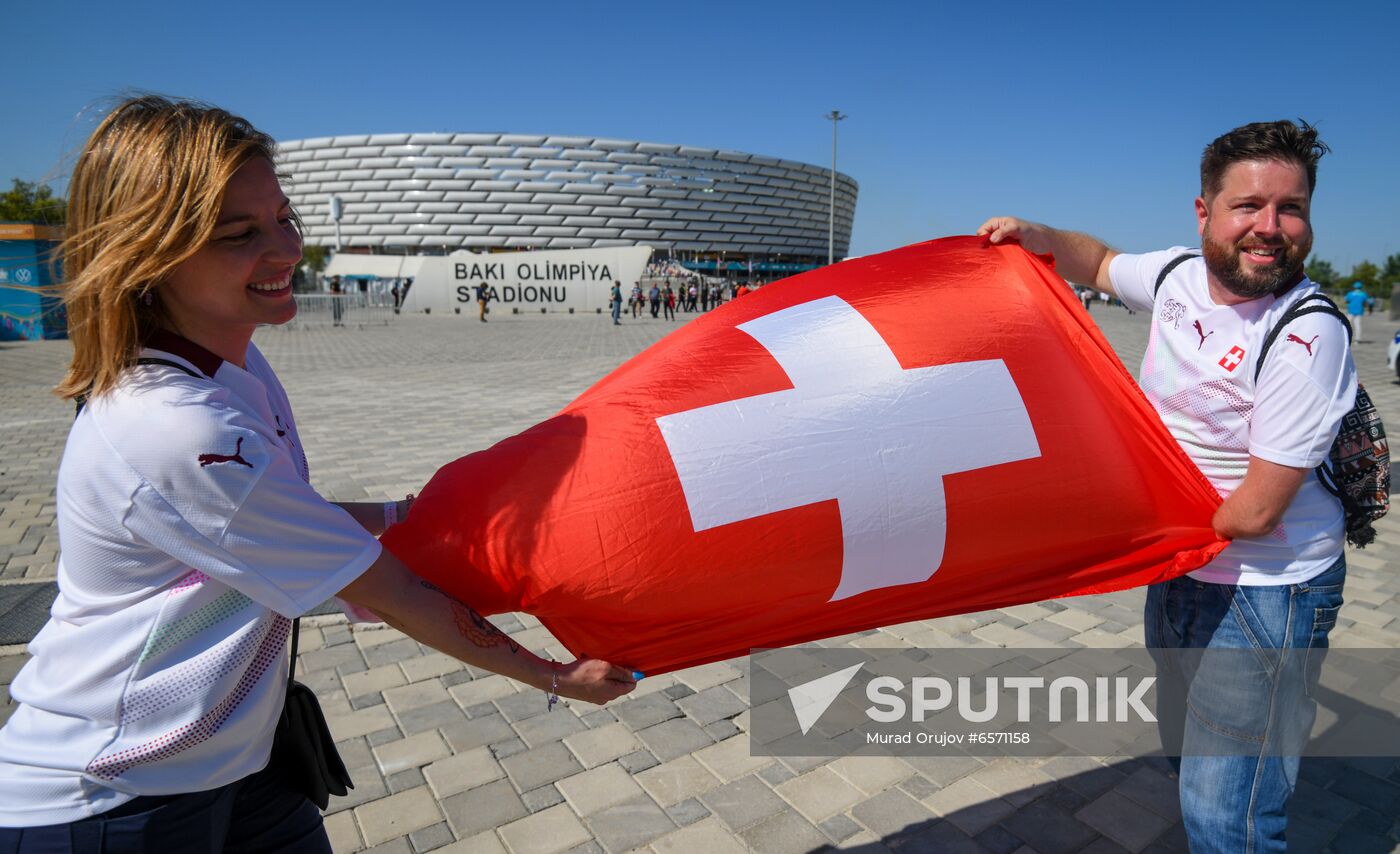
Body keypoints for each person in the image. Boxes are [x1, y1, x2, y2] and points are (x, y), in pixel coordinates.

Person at [0, 96, 635, 850]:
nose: (286, 248)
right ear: (150, 252)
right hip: (116, 796)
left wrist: (424, 511)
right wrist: (553, 677)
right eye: (241, 234)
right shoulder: (175, 425)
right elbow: (386, 590)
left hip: (237, 757)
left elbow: (282, 516)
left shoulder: (232, 364)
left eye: (284, 217)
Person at [979, 120, 1353, 854]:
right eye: (1249, 206)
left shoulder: (1310, 335)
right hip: (1184, 568)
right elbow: (1099, 261)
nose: (1270, 228)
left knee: (1229, 817)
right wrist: (1034, 234)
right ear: (1204, 210)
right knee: (1192, 761)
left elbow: (1253, 512)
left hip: (1266, 591)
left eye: (1292, 208)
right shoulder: (1179, 275)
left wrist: (1100, 534)